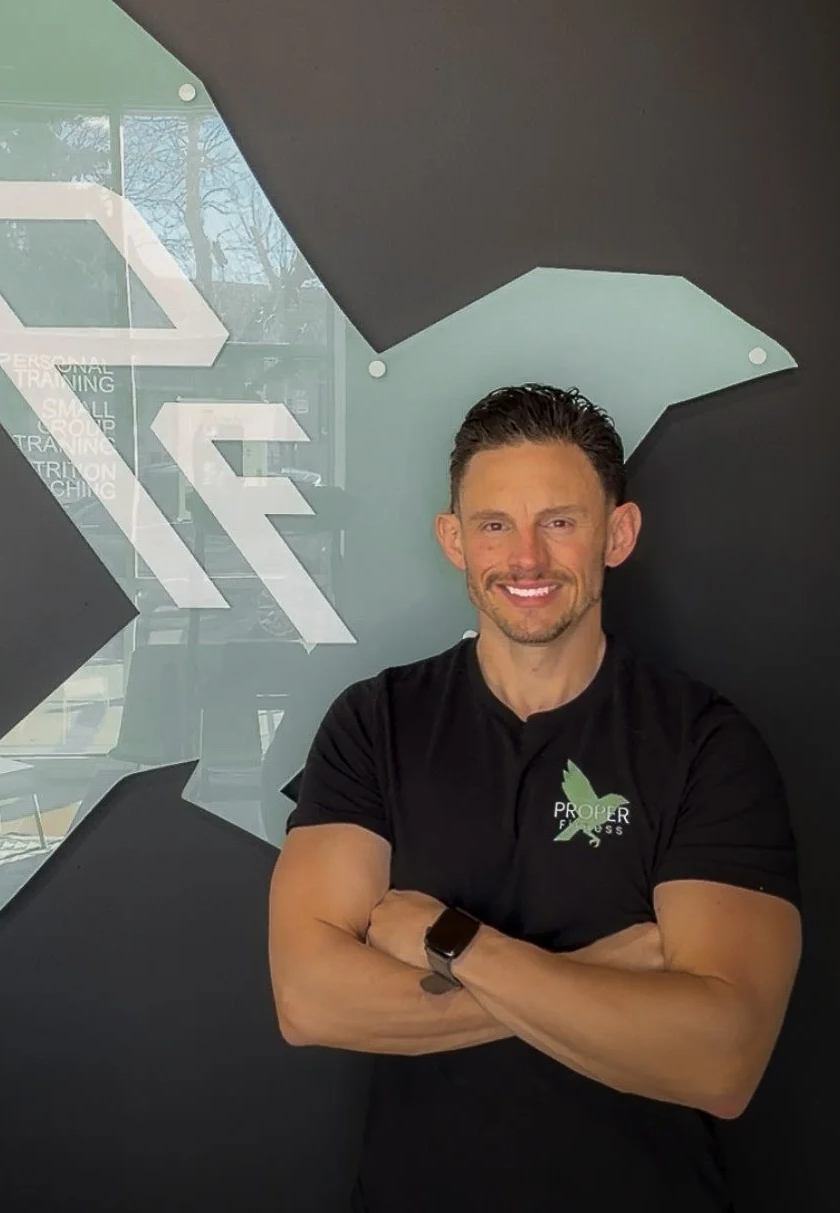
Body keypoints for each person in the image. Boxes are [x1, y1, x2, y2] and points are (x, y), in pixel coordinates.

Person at [268, 384, 801, 1213]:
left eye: (559, 521)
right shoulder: (376, 723)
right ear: (453, 539)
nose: (525, 559)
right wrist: (597, 974)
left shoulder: (706, 743)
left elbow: (722, 1060)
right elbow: (308, 999)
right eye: (494, 525)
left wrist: (456, 947)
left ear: (617, 534)